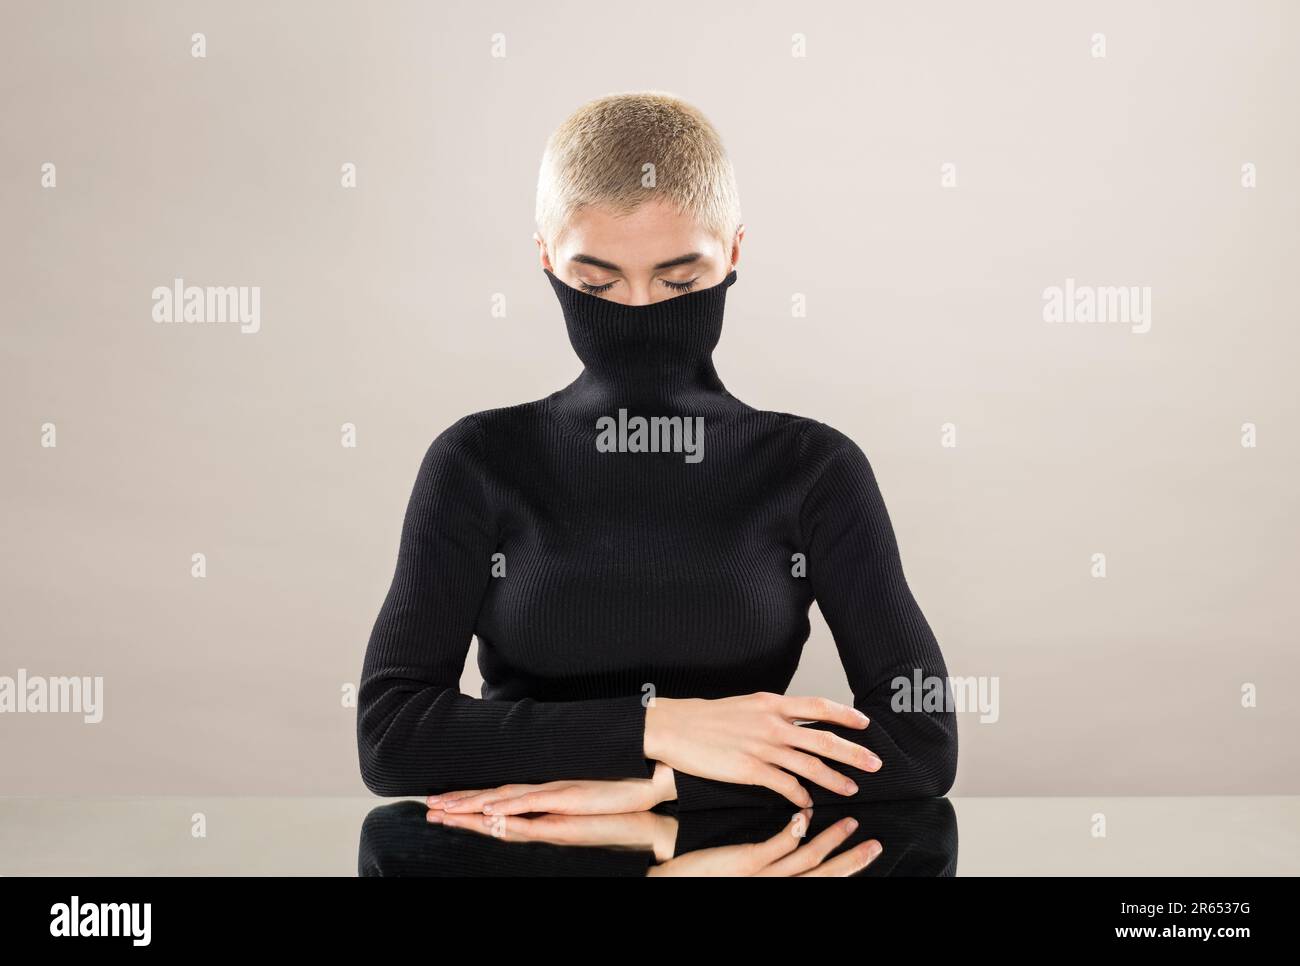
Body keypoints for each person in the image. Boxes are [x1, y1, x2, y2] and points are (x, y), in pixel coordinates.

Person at [357, 91, 957, 822]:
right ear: (545, 258)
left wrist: (653, 793)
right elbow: (391, 738)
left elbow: (921, 741)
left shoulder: (812, 469)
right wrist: (659, 727)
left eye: (680, 281)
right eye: (596, 283)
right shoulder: (478, 460)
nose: (639, 309)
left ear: (734, 252)